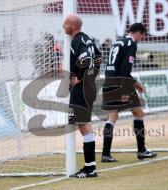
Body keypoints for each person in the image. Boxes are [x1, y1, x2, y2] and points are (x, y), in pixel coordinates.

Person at [101, 23, 157, 162]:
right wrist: (127, 90)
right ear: (138, 33)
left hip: (108, 81)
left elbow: (116, 67)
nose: (141, 39)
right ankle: (142, 151)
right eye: (142, 36)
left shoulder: (118, 42)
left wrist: (136, 83)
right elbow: (125, 71)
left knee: (112, 118)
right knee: (138, 113)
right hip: (121, 83)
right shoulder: (131, 44)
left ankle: (105, 154)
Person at [63, 14, 102, 178]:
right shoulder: (88, 39)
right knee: (82, 125)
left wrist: (80, 77)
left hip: (82, 88)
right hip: (90, 85)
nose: (63, 26)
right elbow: (99, 58)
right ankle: (90, 167)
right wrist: (92, 76)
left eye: (65, 24)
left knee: (83, 125)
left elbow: (85, 59)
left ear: (72, 26)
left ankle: (90, 169)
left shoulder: (77, 40)